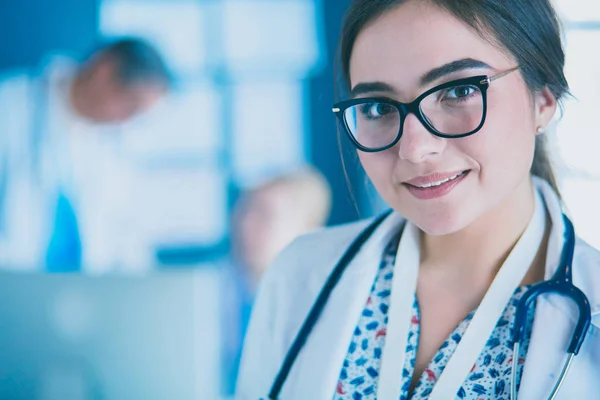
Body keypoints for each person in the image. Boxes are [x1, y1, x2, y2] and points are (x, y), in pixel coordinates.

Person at [236, 1, 600, 399]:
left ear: (544, 98)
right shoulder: (299, 275)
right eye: (377, 107)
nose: (414, 148)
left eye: (458, 91)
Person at [0, 38, 171, 272]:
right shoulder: (10, 107)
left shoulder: (115, 153)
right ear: (104, 70)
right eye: (130, 106)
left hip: (80, 298)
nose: (125, 121)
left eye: (136, 115)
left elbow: (129, 239)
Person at [222, 167, 332, 396]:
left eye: (264, 215)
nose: (245, 226)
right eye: (244, 211)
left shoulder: (325, 313)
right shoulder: (209, 295)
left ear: (309, 233)